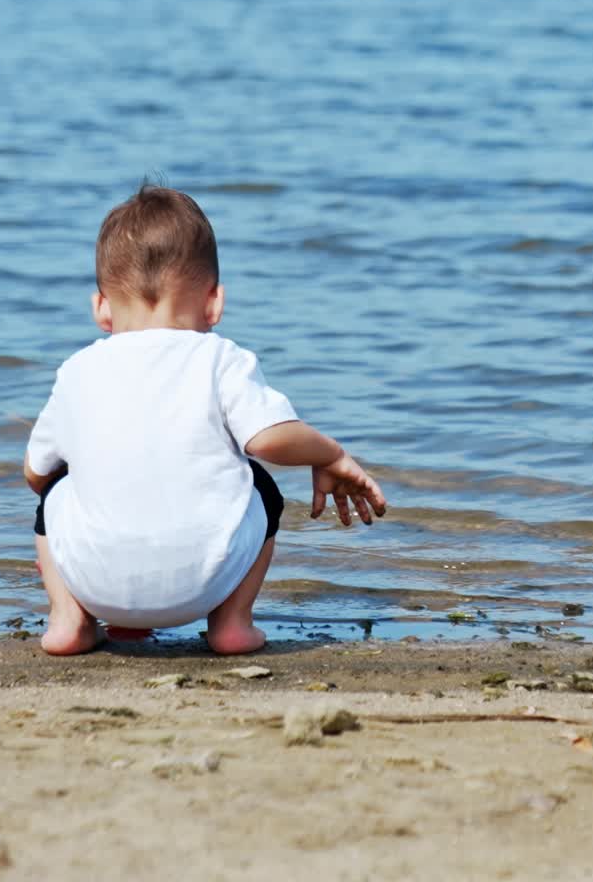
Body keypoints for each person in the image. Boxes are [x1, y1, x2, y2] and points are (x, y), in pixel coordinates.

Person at [23, 183, 386, 656]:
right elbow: (269, 440)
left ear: (101, 309)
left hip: (97, 582)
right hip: (206, 581)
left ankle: (70, 618)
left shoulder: (77, 371)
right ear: (214, 302)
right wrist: (331, 453)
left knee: (56, 489)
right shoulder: (221, 359)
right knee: (262, 487)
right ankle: (232, 622)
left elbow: (35, 472)